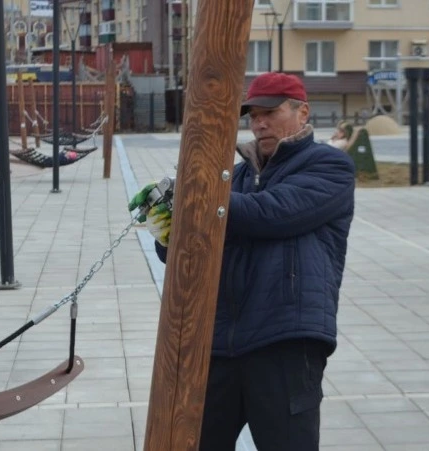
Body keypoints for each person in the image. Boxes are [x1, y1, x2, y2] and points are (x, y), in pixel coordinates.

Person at [128, 72, 355, 450]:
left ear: (303, 112)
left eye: (271, 112)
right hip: (219, 342)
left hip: (285, 339)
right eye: (253, 115)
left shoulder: (328, 166)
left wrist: (195, 197)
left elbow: (273, 212)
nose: (259, 123)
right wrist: (168, 227)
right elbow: (186, 255)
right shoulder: (233, 177)